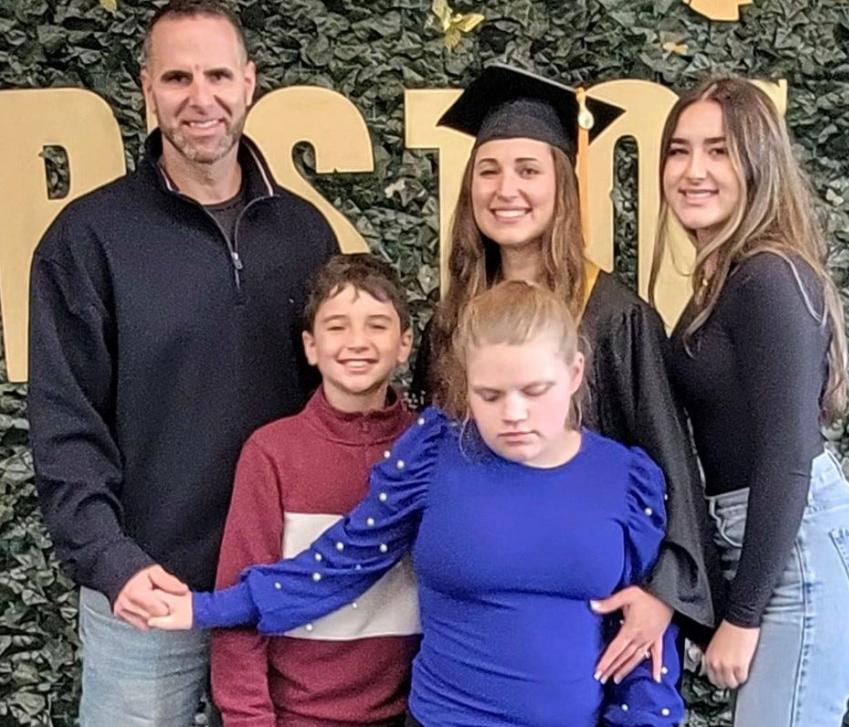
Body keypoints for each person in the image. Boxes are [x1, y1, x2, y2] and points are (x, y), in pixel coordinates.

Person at [150, 280, 685, 727]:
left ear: (574, 374)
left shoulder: (627, 478)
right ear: (466, 386)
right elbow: (338, 564)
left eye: (535, 390)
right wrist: (204, 607)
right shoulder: (434, 455)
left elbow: (645, 636)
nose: (514, 413)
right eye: (491, 396)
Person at [26, 1, 337, 723]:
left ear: (251, 82)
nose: (202, 98)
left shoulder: (305, 233)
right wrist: (112, 561)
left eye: (219, 75)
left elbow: (338, 406)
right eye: (177, 77)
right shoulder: (88, 238)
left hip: (277, 595)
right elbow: (66, 424)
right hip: (147, 595)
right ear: (147, 89)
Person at [410, 64, 719, 678]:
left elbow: (669, 469)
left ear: (563, 184)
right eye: (489, 170)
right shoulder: (454, 317)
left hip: (588, 622)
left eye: (529, 170)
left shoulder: (613, 317)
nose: (506, 189)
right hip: (473, 625)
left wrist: (663, 595)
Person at [651, 77, 849, 726]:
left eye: (719, 151)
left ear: (759, 163)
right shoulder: (727, 275)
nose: (693, 170)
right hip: (771, 540)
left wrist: (744, 611)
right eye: (678, 150)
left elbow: (787, 454)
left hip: (802, 550)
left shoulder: (768, 274)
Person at [212, 254, 419, 726]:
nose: (357, 343)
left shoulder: (429, 451)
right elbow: (238, 606)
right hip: (298, 716)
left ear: (405, 342)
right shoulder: (272, 453)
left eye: (378, 325)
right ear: (310, 346)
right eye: (337, 327)